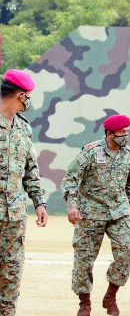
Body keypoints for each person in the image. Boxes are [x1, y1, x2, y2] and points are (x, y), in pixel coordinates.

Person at [61, 114, 130, 316]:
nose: (125, 136)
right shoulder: (91, 152)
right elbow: (70, 179)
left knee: (125, 253)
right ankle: (84, 303)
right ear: (110, 134)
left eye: (127, 132)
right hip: (90, 213)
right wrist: (72, 205)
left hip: (118, 214)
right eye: (121, 133)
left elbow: (128, 183)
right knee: (84, 259)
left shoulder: (128, 154)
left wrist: (125, 202)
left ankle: (111, 296)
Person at [0, 69, 47, 316]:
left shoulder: (23, 128)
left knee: (11, 274)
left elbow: (30, 169)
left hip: (14, 217)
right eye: (28, 96)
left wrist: (39, 202)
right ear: (20, 96)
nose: (29, 100)